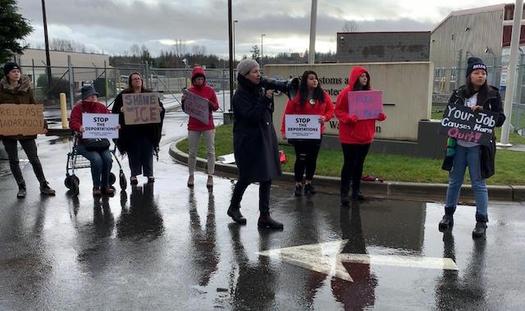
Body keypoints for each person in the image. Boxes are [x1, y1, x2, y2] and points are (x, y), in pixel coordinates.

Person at [438, 57, 506, 239]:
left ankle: (481, 221)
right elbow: (448, 115)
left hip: (479, 147)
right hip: (459, 146)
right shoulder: (459, 93)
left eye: (483, 73)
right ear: (469, 75)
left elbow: (500, 119)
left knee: (479, 183)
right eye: (476, 73)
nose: (480, 76)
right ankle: (448, 215)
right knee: (454, 181)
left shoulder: (492, 94)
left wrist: (483, 113)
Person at [227, 59, 283, 230]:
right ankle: (234, 207)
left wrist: (268, 99)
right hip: (248, 141)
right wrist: (265, 100)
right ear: (245, 75)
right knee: (246, 176)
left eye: (259, 71)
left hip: (264, 137)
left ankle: (264, 216)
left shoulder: (259, 90)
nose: (259, 74)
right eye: (254, 71)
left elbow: (267, 113)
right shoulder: (240, 95)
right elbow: (251, 116)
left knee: (267, 176)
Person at [0, 62, 55, 198]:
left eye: (18, 71)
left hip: (26, 128)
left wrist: (43, 123)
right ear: (7, 74)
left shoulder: (27, 88)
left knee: (34, 159)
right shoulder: (1, 90)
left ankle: (43, 185)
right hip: (9, 130)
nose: (17, 73)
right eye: (13, 71)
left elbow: (33, 106)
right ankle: (21, 186)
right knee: (13, 160)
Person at [335, 66, 387, 206]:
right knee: (349, 165)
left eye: (366, 76)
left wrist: (380, 115)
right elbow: (338, 111)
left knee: (359, 165)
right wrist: (348, 118)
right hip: (349, 137)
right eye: (362, 76)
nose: (365, 78)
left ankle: (356, 191)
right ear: (355, 78)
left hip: (365, 136)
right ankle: (344, 194)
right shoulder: (346, 93)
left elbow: (376, 111)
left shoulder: (370, 94)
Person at [280, 70, 334, 196]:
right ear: (305, 81)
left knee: (312, 159)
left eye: (315, 78)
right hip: (300, 134)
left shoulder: (323, 95)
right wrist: (284, 130)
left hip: (316, 133)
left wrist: (325, 118)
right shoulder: (297, 95)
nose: (314, 80)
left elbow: (331, 109)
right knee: (301, 158)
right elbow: (288, 113)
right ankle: (298, 184)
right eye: (311, 78)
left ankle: (309, 183)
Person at [112, 72, 165, 185]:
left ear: (142, 81)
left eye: (139, 78)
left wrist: (159, 110)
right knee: (133, 152)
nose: (137, 80)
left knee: (148, 151)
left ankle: (149, 174)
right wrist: (121, 110)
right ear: (130, 82)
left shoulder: (149, 94)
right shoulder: (123, 95)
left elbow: (160, 108)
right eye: (134, 79)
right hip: (131, 131)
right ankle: (134, 175)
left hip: (147, 130)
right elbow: (115, 111)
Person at [69, 85, 115, 197]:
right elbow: (72, 122)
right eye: (91, 95)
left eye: (95, 95)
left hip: (100, 142)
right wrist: (80, 127)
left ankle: (106, 185)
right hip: (84, 143)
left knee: (108, 159)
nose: (94, 97)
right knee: (97, 159)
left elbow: (109, 119)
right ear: (86, 97)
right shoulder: (78, 108)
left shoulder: (101, 107)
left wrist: (114, 126)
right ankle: (96, 186)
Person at [181, 66, 219, 188]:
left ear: (204, 79)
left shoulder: (210, 91)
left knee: (210, 151)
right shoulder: (189, 91)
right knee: (192, 152)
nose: (199, 81)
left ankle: (210, 176)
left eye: (201, 79)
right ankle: (191, 174)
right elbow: (185, 109)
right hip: (193, 125)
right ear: (193, 80)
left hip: (208, 125)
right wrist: (183, 101)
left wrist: (209, 103)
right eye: (197, 79)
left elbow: (216, 107)